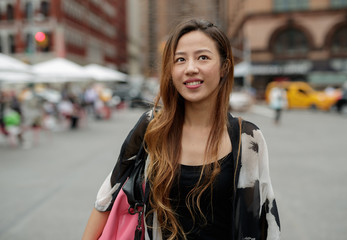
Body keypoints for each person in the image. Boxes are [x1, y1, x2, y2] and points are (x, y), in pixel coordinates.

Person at [83, 18, 281, 240]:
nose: (191, 68)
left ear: (224, 67)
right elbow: (106, 199)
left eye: (203, 57)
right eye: (180, 60)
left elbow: (264, 219)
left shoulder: (248, 139)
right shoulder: (152, 127)